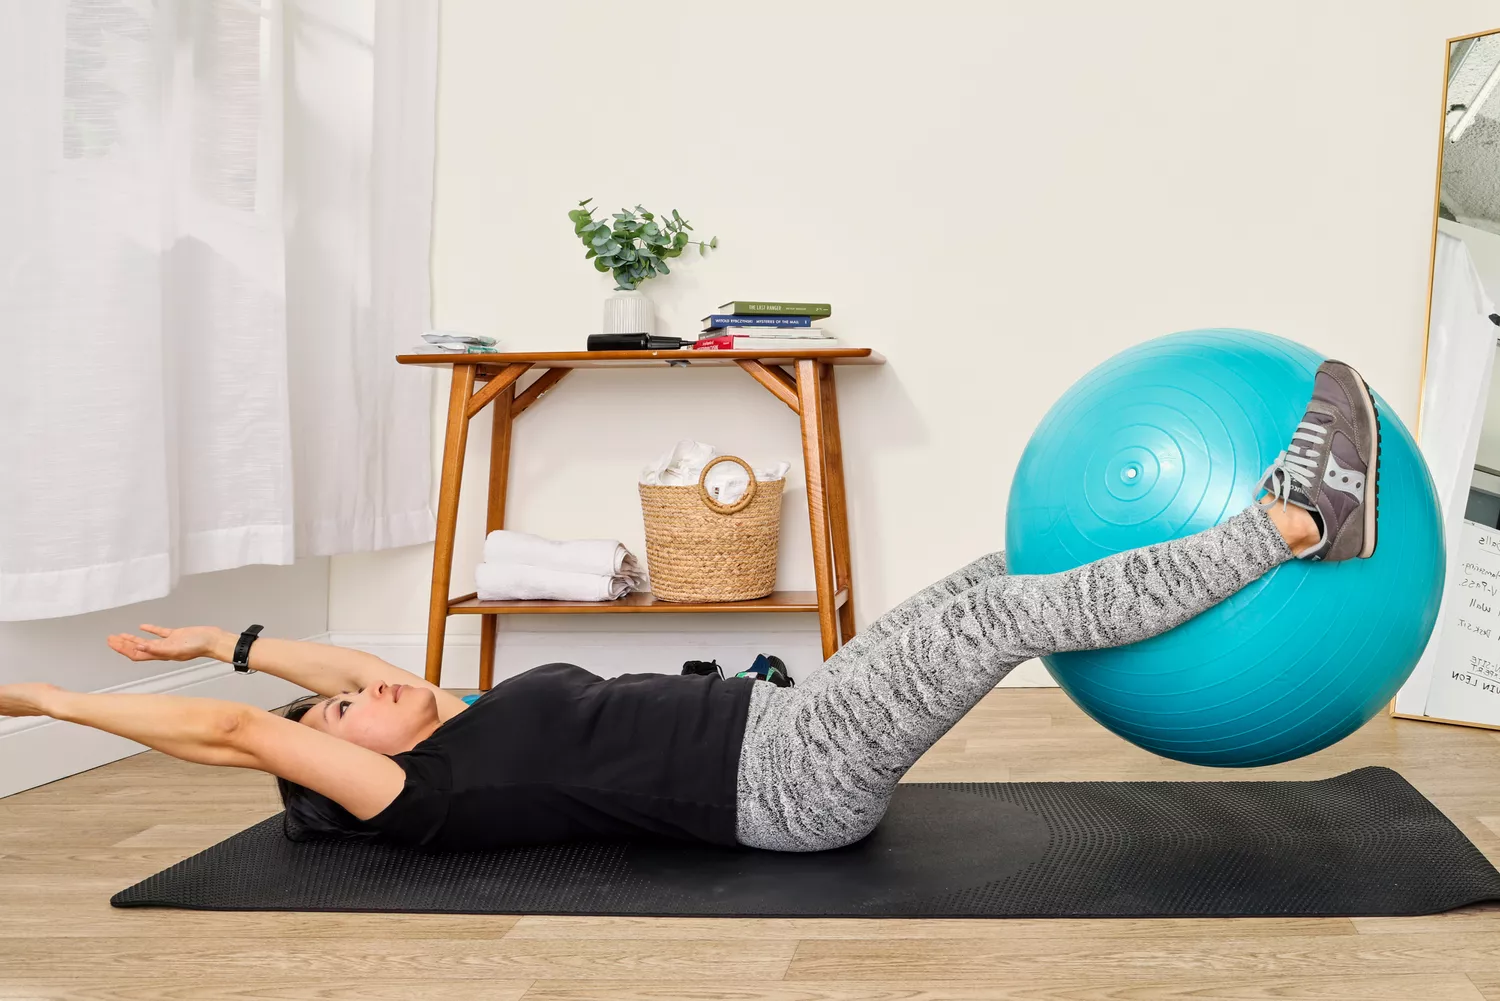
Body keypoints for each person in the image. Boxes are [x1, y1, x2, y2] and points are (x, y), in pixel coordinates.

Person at [0, 360, 1380, 853]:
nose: (360, 687)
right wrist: (55, 698)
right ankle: (1299, 520)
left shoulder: (447, 723)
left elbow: (326, 679)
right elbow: (244, 738)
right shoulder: (418, 797)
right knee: (1002, 621)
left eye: (350, 691)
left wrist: (226, 640)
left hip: (791, 723)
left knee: (982, 580)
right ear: (346, 768)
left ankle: (1266, 529)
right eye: (343, 715)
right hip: (789, 784)